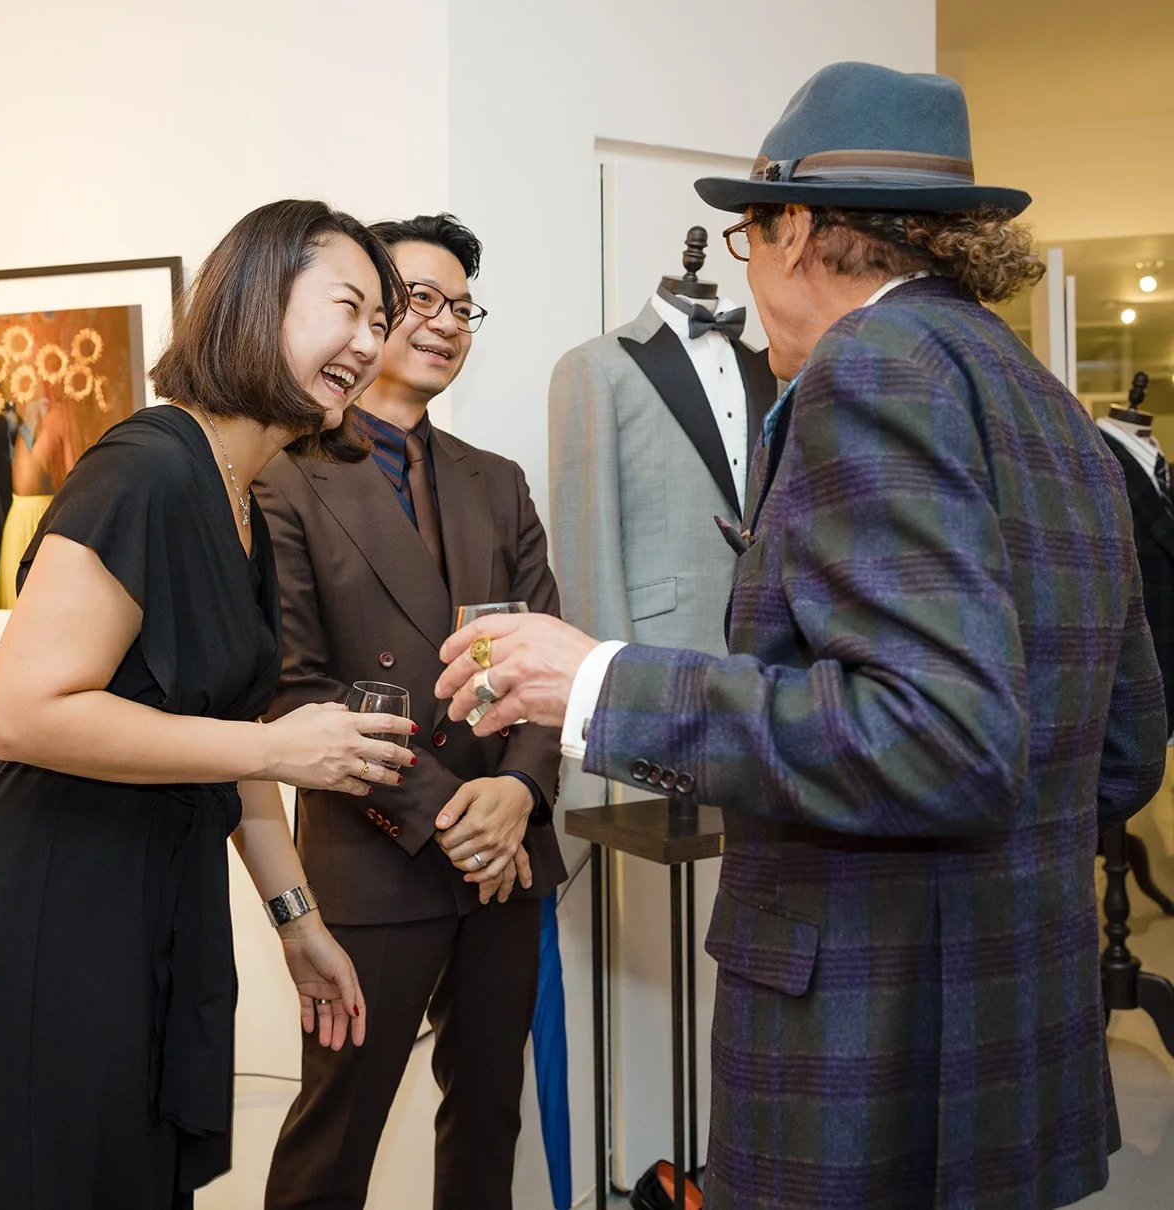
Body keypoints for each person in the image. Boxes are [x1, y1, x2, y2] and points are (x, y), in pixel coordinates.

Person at [435, 63, 1168, 1209]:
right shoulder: (1046, 404)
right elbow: (1122, 744)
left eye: (746, 239)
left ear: (794, 231)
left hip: (865, 1047)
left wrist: (599, 680)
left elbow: (935, 739)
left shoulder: (867, 372)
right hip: (1007, 1019)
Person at [0, 198, 420, 1210]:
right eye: (350, 308)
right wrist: (279, 747)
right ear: (254, 299)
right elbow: (20, 711)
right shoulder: (144, 469)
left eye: (382, 322)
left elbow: (229, 741)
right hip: (50, 908)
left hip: (148, 907)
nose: (371, 344)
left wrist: (296, 920)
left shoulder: (244, 497)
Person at [254, 213, 566, 1210]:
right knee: (334, 1135)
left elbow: (549, 659)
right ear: (373, 314)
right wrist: (451, 813)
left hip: (508, 859)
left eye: (463, 308)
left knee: (487, 1119)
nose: (445, 323)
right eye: (421, 300)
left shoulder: (496, 481)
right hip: (374, 851)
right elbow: (295, 688)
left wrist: (516, 789)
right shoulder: (283, 479)